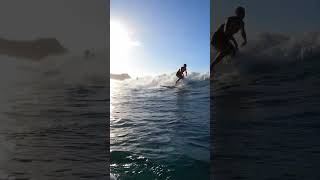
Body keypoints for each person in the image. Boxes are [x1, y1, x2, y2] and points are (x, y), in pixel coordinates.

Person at [211, 6, 247, 77]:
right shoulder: (230, 19)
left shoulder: (242, 23)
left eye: (244, 13)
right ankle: (211, 67)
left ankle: (236, 69)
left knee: (233, 52)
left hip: (225, 39)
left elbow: (243, 32)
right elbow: (226, 31)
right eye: (241, 13)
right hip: (217, 37)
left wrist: (245, 40)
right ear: (237, 13)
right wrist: (235, 43)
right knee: (227, 50)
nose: (243, 15)